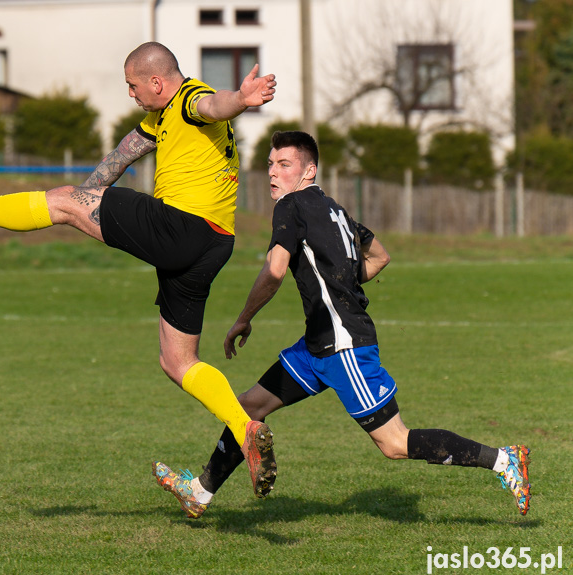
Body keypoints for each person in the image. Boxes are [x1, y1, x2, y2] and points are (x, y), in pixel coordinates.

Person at [0, 42, 279, 497]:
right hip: (214, 243)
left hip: (182, 226)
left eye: (134, 86)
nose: (132, 95)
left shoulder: (187, 99)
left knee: (61, 201)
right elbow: (126, 151)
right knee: (178, 361)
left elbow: (214, 106)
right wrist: (87, 199)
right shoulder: (161, 114)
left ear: (157, 83)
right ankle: (244, 429)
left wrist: (242, 98)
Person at [152, 130, 531, 519]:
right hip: (316, 343)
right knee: (247, 408)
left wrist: (244, 318)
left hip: (343, 344)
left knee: (394, 442)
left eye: (284, 164)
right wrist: (343, 283)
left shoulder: (290, 206)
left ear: (308, 170)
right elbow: (379, 257)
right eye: (269, 164)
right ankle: (200, 491)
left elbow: (275, 270)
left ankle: (503, 459)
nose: (273, 173)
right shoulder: (335, 210)